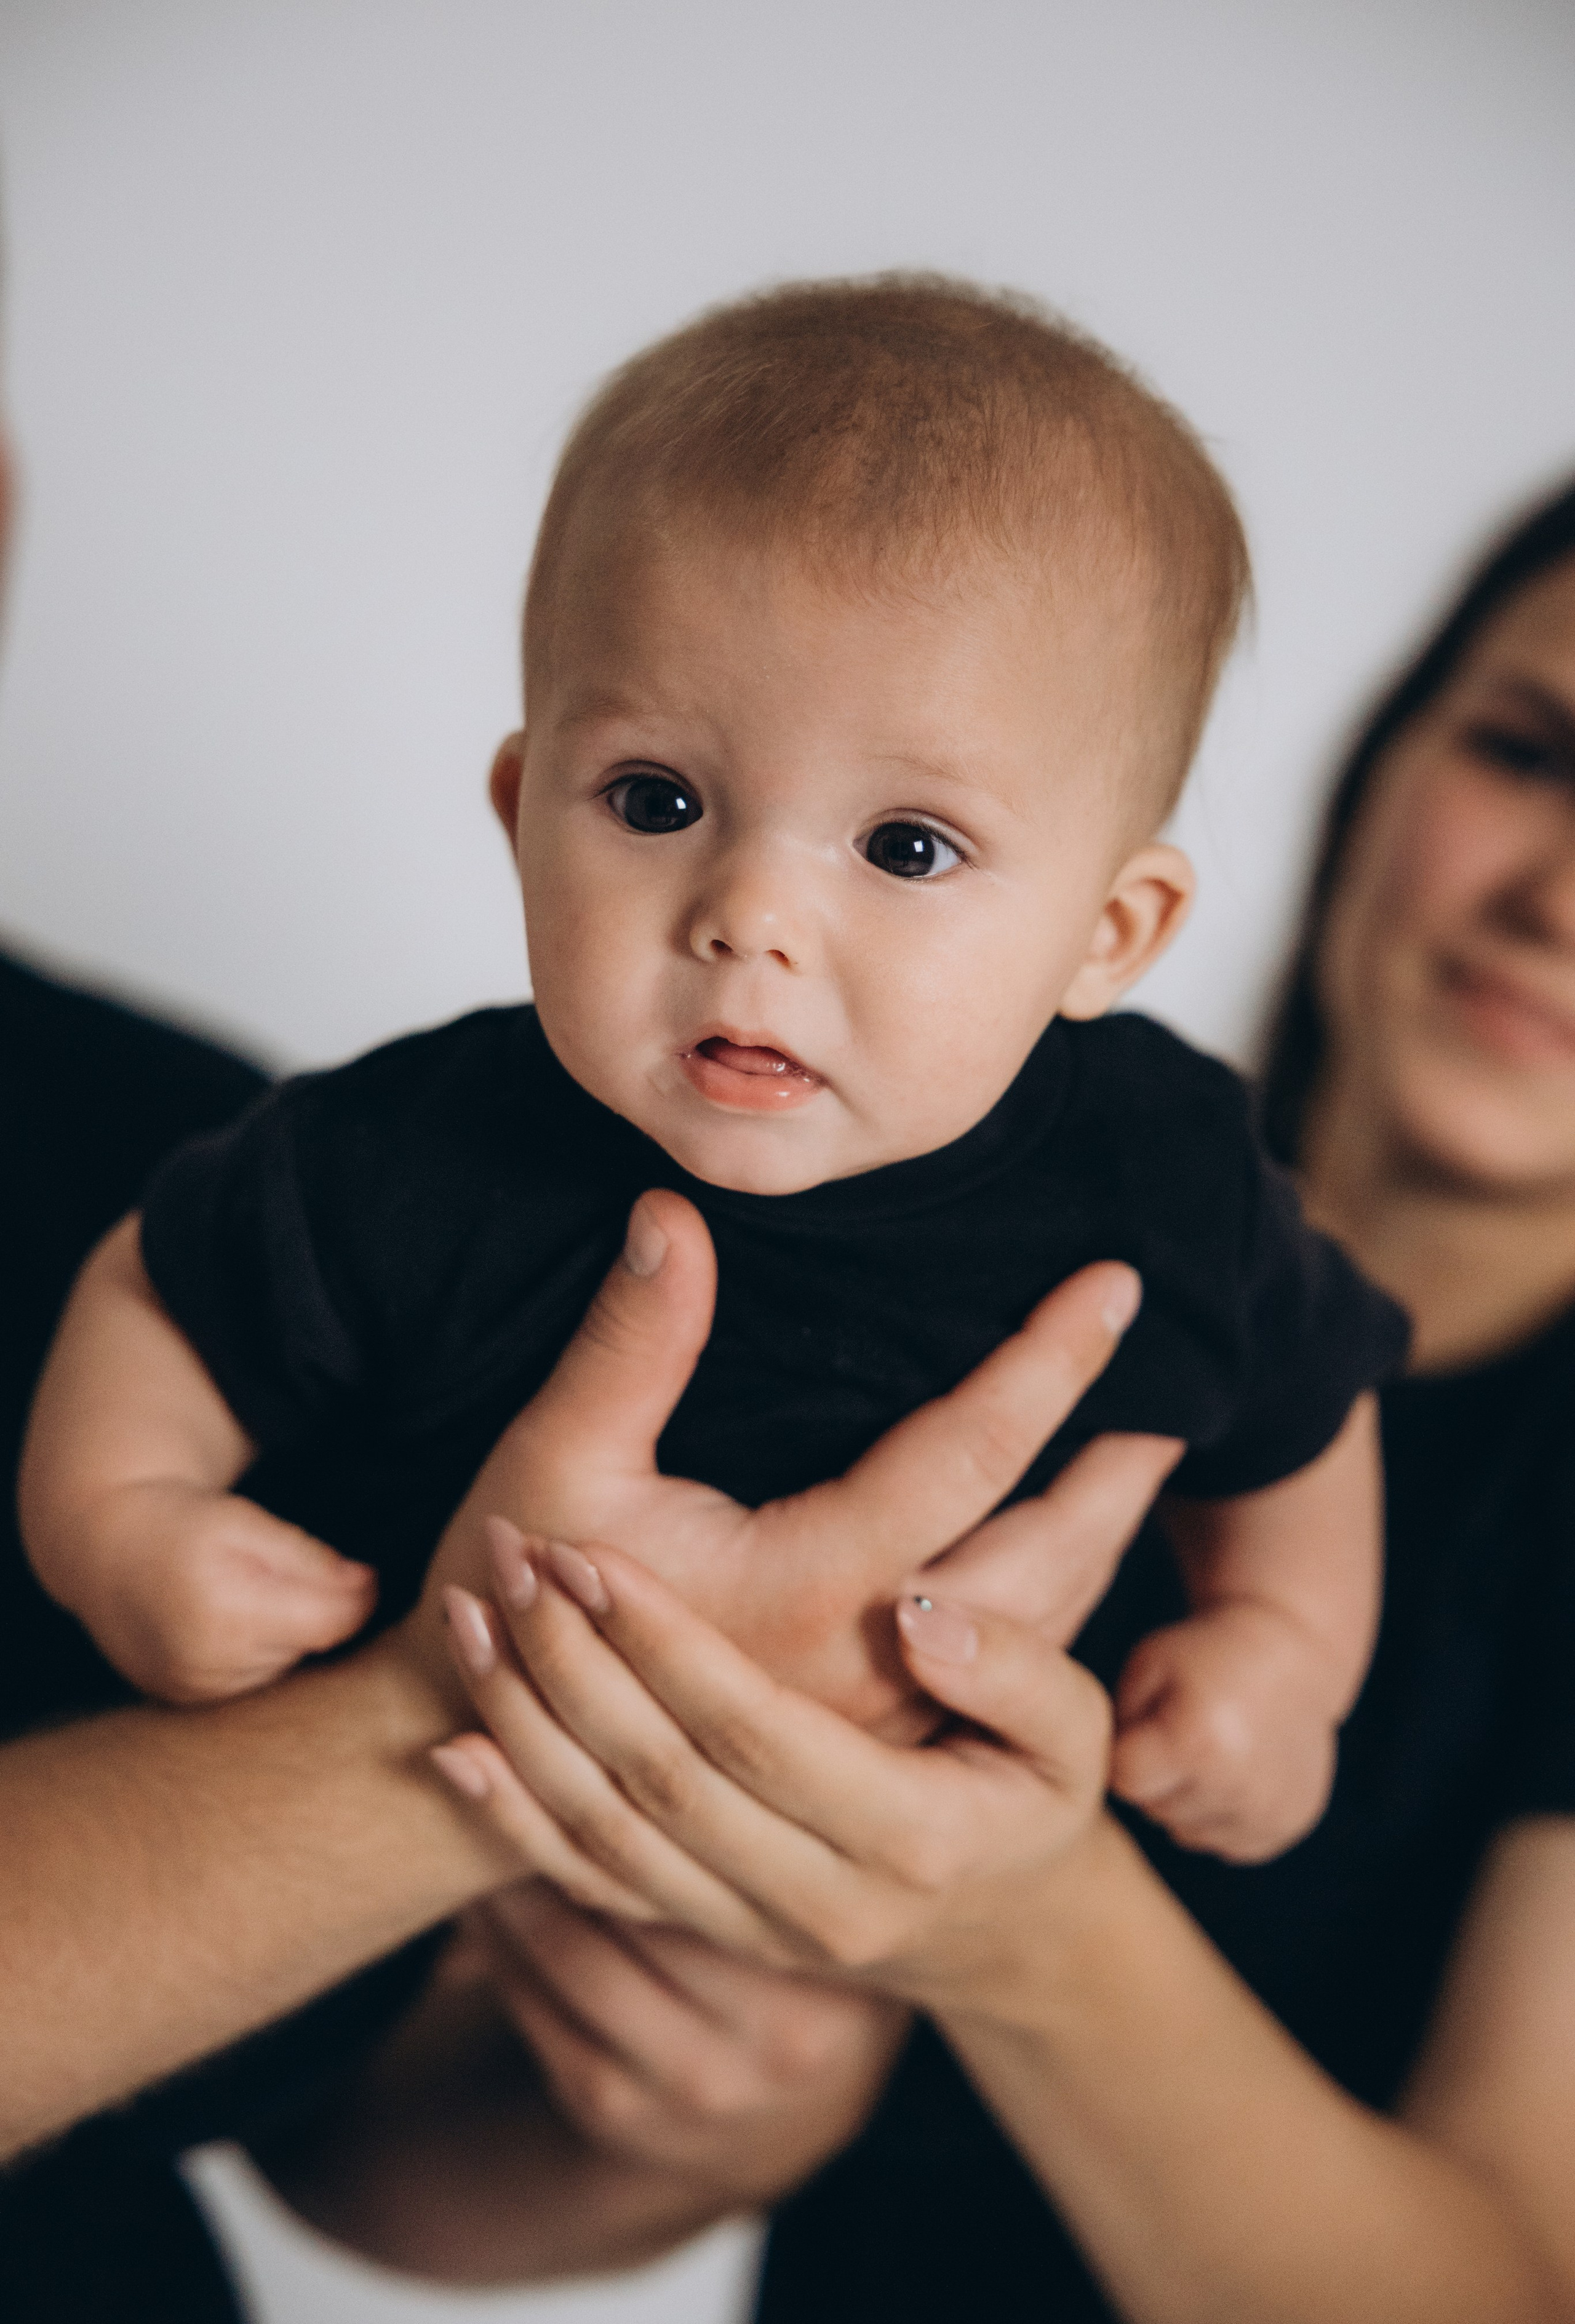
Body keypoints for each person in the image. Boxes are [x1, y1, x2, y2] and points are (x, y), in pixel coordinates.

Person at [22, 276, 1403, 1870]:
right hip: (406, 1859)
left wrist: (1283, 1651)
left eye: (906, 846)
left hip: (873, 1915)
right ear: (522, 805)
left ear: (1112, 930)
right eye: (657, 800)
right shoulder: (422, 1148)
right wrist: (126, 1526)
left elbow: (1303, 1405)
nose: (749, 919)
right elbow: (158, 1291)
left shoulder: (1161, 1175)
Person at [415, 476, 1575, 2323]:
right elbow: (383, 2180)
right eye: (1530, 753)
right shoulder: (822, 1189)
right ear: (1389, 750)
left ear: (1131, 913)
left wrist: (1025, 1929)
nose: (1558, 897)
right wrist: (697, 2131)